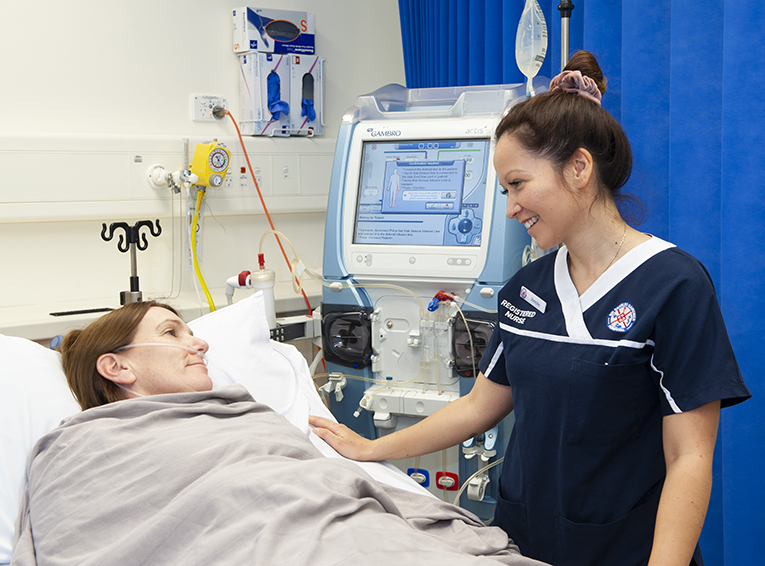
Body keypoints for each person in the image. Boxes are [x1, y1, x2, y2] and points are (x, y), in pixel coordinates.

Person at [309, 51, 752, 566]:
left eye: (518, 184)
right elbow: (479, 407)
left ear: (580, 168)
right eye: (503, 189)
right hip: (522, 544)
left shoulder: (674, 285)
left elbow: (690, 457)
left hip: (624, 549)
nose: (510, 205)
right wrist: (370, 448)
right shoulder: (526, 289)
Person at [18, 300, 549, 566]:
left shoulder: (246, 417)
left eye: (194, 332)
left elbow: (304, 487)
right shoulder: (76, 451)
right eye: (172, 333)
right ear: (118, 368)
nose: (198, 345)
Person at [61, 301, 211, 409]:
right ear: (117, 367)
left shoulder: (228, 408)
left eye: (191, 334)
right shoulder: (98, 442)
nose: (203, 345)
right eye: (170, 332)